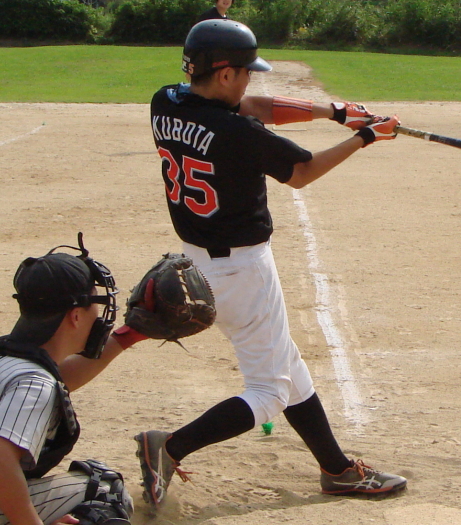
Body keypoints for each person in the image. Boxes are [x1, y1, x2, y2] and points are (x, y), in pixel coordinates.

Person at [135, 19, 406, 508]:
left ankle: (338, 470)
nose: (249, 81)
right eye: (244, 72)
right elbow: (301, 172)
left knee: (286, 364)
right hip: (242, 271)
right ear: (224, 73)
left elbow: (253, 107)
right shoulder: (237, 133)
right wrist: (365, 138)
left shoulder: (166, 101)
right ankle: (170, 447)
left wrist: (336, 112)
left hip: (196, 265)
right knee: (269, 390)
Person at [0, 234, 149, 525]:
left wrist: (128, 336)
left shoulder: (11, 357)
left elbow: (60, 380)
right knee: (103, 491)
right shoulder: (34, 382)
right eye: (96, 304)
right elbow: (1, 460)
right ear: (76, 316)